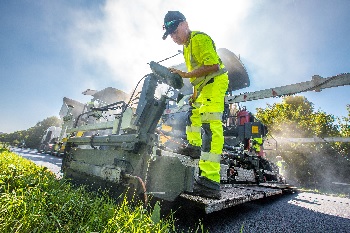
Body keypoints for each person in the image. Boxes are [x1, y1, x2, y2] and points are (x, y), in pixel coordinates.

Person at [162, 11, 229, 199]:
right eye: (171, 35)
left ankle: (210, 182)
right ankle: (195, 147)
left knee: (210, 126)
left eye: (175, 32)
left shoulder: (199, 39)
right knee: (193, 115)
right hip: (203, 87)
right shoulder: (186, 46)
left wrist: (185, 75)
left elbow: (213, 66)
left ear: (185, 24)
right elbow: (199, 73)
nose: (174, 37)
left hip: (214, 84)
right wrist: (194, 94)